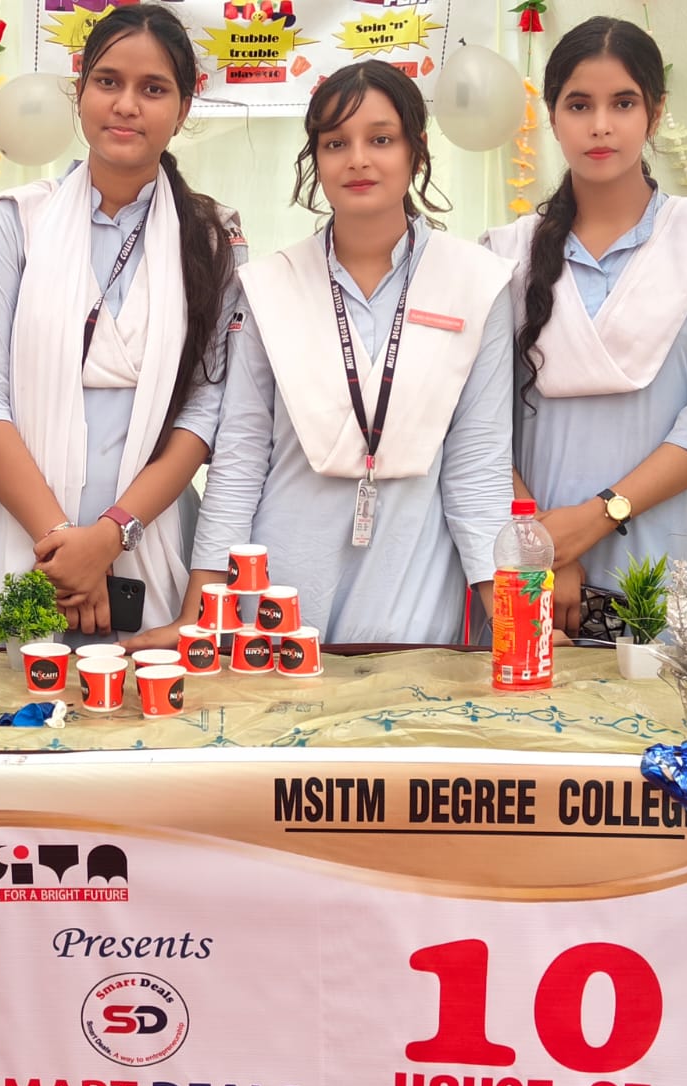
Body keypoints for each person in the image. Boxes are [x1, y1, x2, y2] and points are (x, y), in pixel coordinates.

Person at [137, 60, 515, 647]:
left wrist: (515, 625)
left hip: (412, 582)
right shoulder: (270, 285)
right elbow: (239, 460)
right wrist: (199, 613)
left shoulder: (477, 282)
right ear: (316, 158)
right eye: (336, 143)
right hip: (280, 585)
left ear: (417, 150)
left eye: (381, 140)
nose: (357, 159)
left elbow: (478, 469)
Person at [0, 2, 244, 644]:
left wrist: (108, 537)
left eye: (153, 88)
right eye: (108, 81)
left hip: (147, 554)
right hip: (17, 547)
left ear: (184, 109)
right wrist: (63, 547)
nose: (126, 105)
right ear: (79, 91)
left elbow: (205, 410)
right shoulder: (14, 222)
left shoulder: (213, 238)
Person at [483, 16, 687, 636]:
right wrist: (543, 546)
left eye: (623, 103)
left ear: (655, 113)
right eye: (579, 105)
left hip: (662, 557)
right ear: (552, 116)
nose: (600, 125)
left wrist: (593, 520)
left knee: (662, 696)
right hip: (534, 563)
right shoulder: (505, 254)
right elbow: (482, 426)